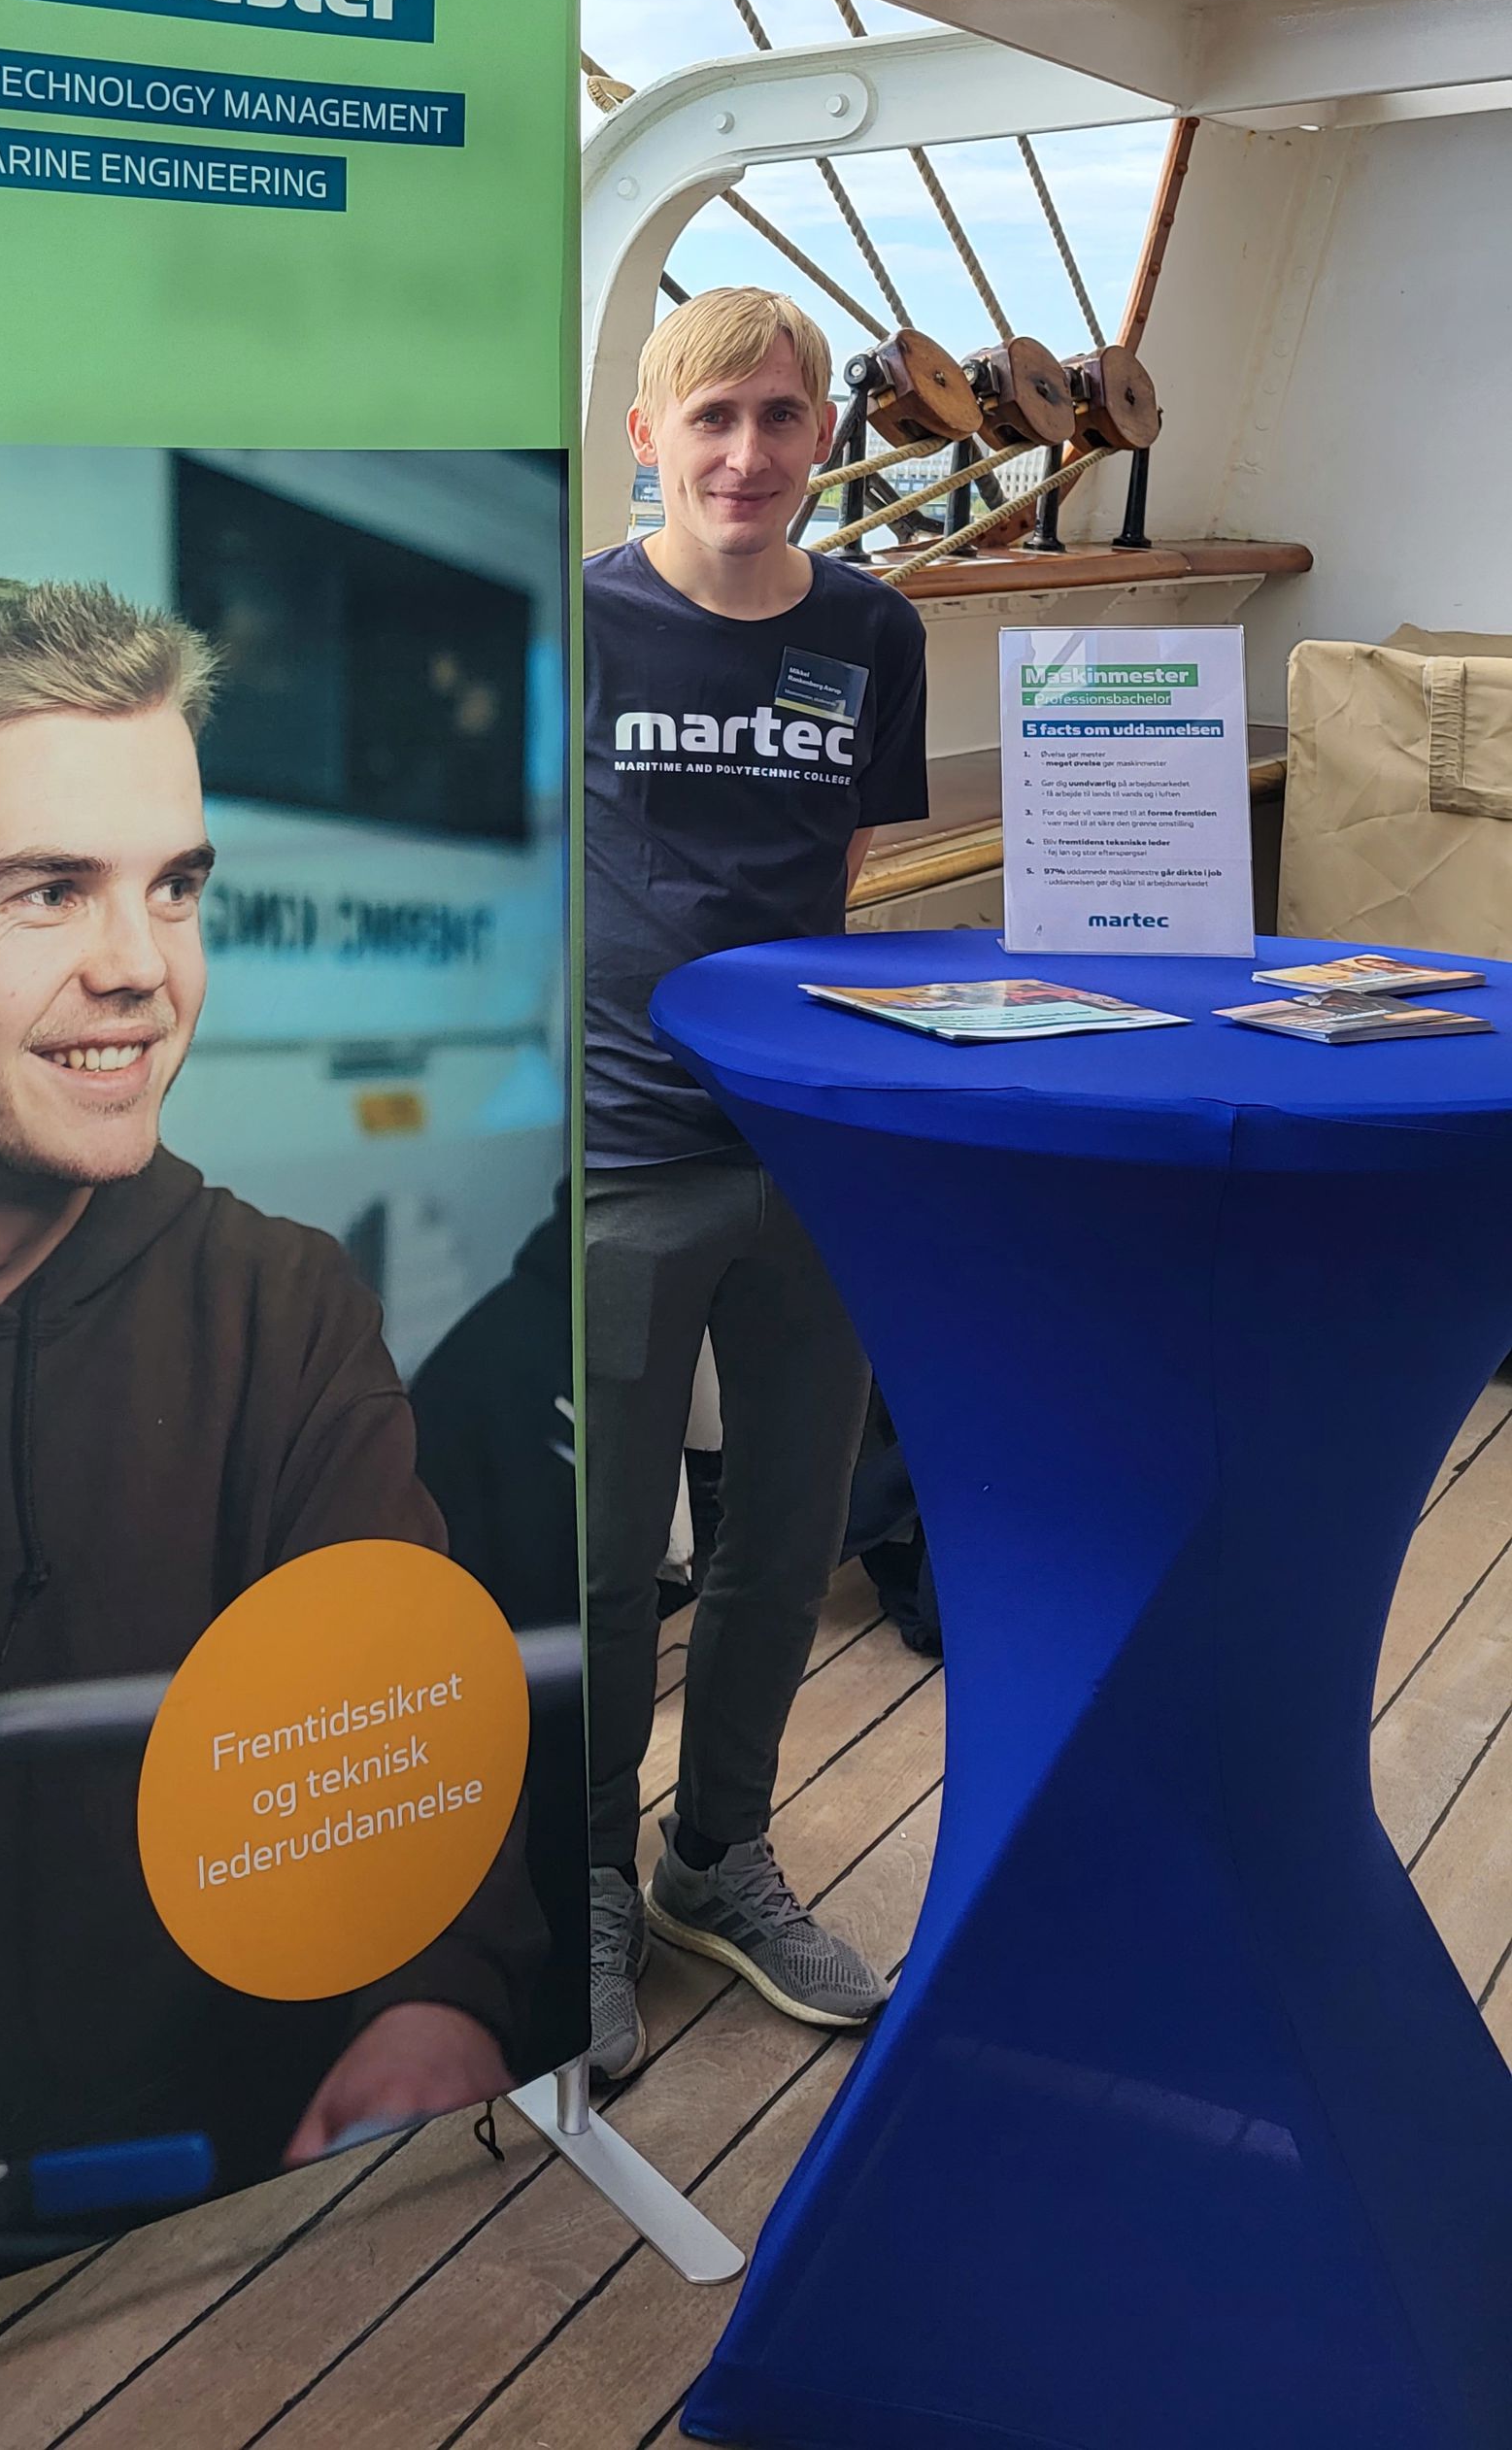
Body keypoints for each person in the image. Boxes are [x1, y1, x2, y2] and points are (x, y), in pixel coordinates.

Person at [0, 576, 544, 2194]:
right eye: (48, 890)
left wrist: (431, 2004)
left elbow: (401, 1735)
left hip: (233, 2239)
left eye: (174, 886)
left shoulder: (280, 1307)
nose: (141, 967)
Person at [582, 286, 927, 2080]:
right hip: (620, 1154)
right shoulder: (579, 622)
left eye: (781, 416)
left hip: (808, 1155)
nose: (745, 451)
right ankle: (582, 1881)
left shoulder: (872, 628)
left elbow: (830, 871)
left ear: (823, 439)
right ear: (647, 434)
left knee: (783, 1537)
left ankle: (715, 1856)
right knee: (597, 1559)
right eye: (709, 417)